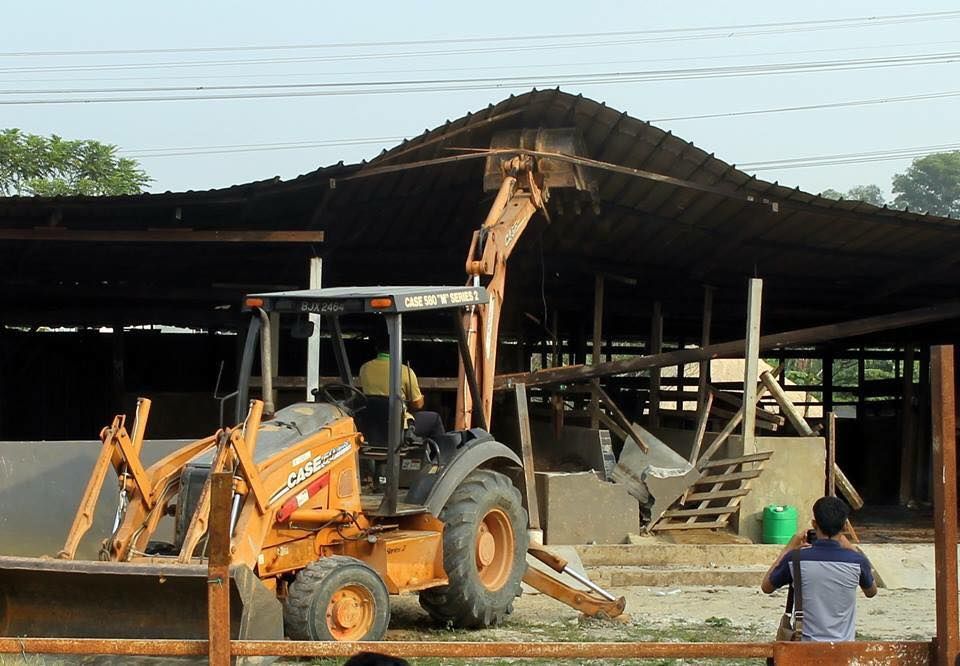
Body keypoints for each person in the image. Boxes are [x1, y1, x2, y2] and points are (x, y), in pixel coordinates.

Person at [761, 496, 877, 642]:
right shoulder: (857, 561)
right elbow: (871, 591)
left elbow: (766, 586)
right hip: (844, 651)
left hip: (805, 650)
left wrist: (789, 547)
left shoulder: (795, 559)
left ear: (814, 524)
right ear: (845, 527)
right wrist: (849, 546)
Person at [358, 335, 445, 441]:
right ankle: (441, 454)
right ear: (398, 348)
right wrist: (420, 397)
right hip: (398, 426)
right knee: (434, 419)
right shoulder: (405, 371)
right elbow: (418, 404)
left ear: (376, 348)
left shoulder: (364, 368)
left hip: (372, 425)